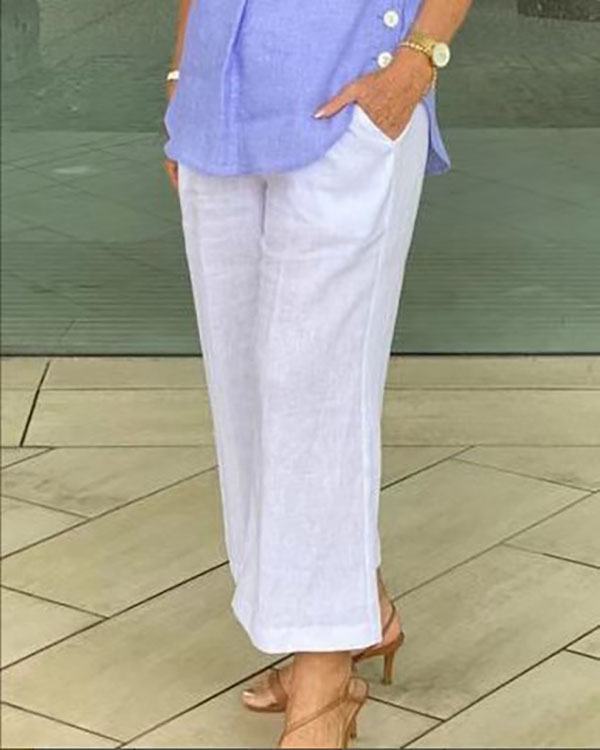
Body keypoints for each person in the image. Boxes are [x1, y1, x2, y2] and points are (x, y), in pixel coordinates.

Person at [163, 0, 472, 746]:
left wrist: (418, 60)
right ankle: (356, 605)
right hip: (215, 104)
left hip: (349, 92)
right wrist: (179, 80)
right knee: (246, 395)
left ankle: (325, 677)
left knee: (317, 391)